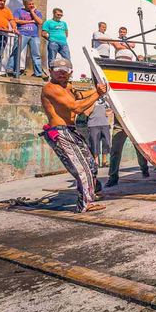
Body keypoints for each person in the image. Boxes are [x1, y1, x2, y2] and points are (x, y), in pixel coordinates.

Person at [40, 57, 106, 213]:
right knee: (82, 168)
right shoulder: (51, 88)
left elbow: (79, 95)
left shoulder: (67, 86)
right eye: (58, 71)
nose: (62, 74)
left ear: (71, 73)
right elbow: (76, 107)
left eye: (65, 71)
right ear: (50, 71)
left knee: (91, 164)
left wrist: (99, 88)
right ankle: (85, 204)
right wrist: (98, 94)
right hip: (60, 132)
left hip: (71, 130)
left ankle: (90, 193)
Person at [106, 116, 149, 187]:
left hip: (133, 124)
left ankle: (144, 168)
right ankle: (113, 177)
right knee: (115, 151)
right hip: (120, 125)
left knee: (139, 149)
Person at [8, 0, 45, 78]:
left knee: (36, 54)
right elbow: (16, 20)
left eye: (32, 4)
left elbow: (40, 22)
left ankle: (38, 72)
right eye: (29, 4)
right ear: (24, 4)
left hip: (34, 36)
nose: (31, 5)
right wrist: (30, 21)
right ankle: (11, 69)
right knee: (16, 51)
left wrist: (32, 12)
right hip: (22, 34)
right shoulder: (18, 11)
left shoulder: (37, 13)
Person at [86, 96, 112, 168]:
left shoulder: (105, 100)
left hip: (104, 124)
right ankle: (96, 162)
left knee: (107, 142)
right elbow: (86, 113)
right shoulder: (90, 100)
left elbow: (113, 107)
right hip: (93, 125)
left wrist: (111, 112)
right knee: (95, 143)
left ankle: (104, 161)